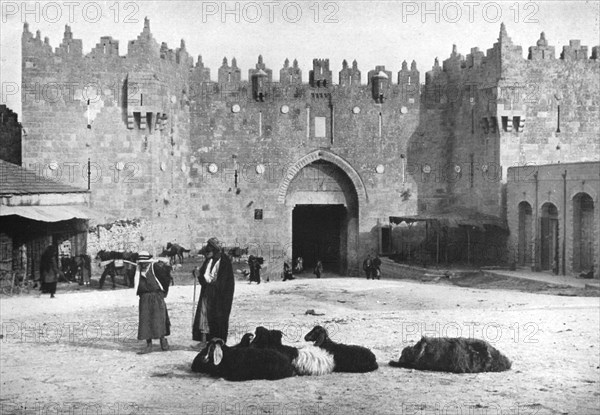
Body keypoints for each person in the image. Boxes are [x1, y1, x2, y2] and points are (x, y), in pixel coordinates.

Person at [192, 237, 235, 347]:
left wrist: (214, 288)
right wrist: (197, 274)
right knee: (204, 315)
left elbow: (225, 282)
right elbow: (203, 277)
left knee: (218, 317)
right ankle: (203, 340)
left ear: (215, 250)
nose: (207, 254)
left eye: (209, 251)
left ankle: (217, 342)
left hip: (219, 296)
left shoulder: (224, 262)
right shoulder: (208, 261)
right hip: (207, 292)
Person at [135, 252, 172, 354]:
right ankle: (149, 345)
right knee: (145, 320)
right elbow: (137, 282)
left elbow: (166, 279)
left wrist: (164, 292)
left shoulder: (155, 267)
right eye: (141, 263)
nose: (143, 264)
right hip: (144, 297)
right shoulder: (138, 270)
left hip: (156, 296)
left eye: (145, 262)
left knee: (159, 319)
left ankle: (162, 340)